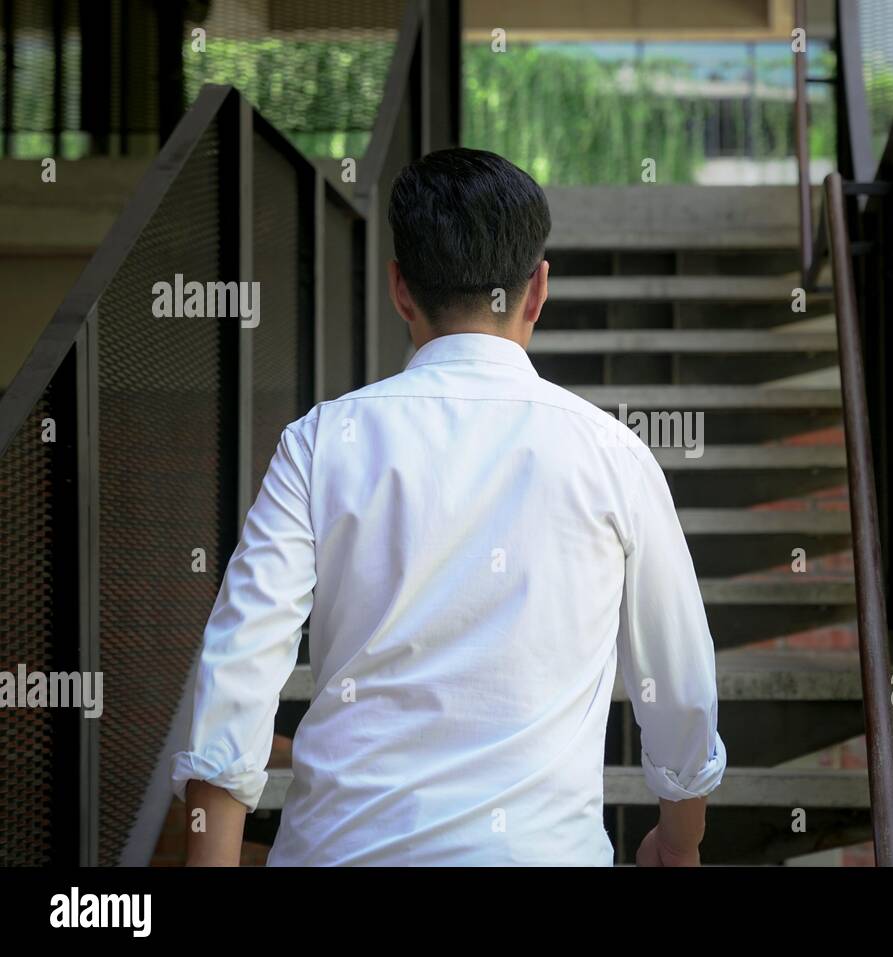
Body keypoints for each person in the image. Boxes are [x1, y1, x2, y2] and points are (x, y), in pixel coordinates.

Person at [170, 147, 726, 866]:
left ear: (400, 290)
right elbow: (681, 690)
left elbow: (238, 667)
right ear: (538, 290)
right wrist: (677, 843)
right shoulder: (613, 455)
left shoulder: (320, 444)